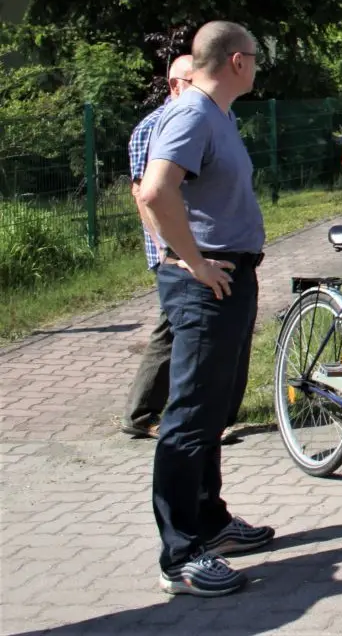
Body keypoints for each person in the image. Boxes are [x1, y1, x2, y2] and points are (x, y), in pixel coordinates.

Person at [137, 21, 272, 598]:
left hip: (231, 275)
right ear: (237, 61)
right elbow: (153, 191)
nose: (259, 66)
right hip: (206, 282)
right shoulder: (192, 113)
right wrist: (190, 261)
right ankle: (180, 555)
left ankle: (210, 523)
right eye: (256, 58)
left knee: (215, 407)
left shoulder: (217, 113)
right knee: (190, 417)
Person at [119, 54, 194, 440]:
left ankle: (158, 408)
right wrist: (166, 250)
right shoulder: (151, 128)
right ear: (173, 85)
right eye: (190, 81)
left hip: (185, 248)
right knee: (174, 327)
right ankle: (143, 413)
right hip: (169, 252)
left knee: (178, 326)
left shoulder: (194, 119)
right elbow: (143, 193)